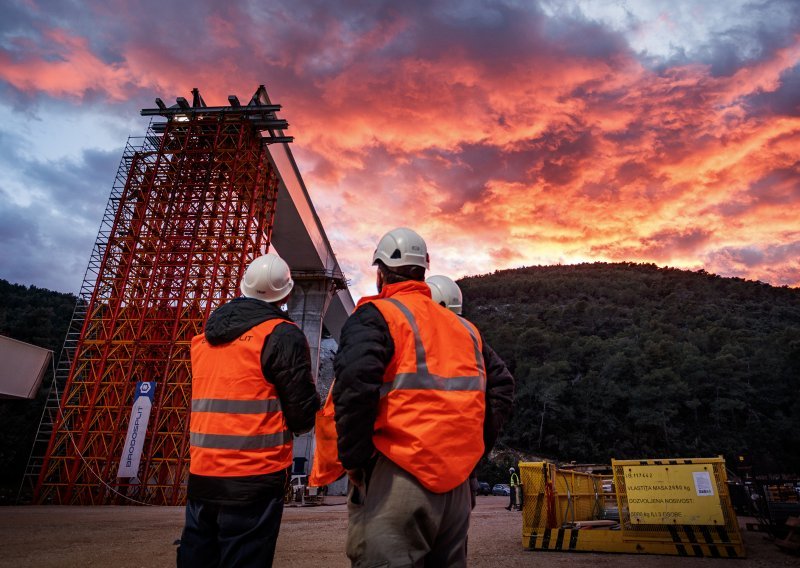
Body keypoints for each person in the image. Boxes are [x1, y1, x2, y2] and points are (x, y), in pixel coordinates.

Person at [333, 228, 515, 567]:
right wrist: (474, 453)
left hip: (399, 473)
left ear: (380, 272)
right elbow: (502, 387)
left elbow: (354, 388)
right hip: (456, 488)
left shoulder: (378, 316)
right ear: (424, 270)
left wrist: (354, 460)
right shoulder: (465, 329)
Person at [178, 253, 321, 568]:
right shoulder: (282, 335)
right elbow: (301, 415)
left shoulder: (203, 341)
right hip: (255, 476)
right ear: (285, 293)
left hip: (203, 474)